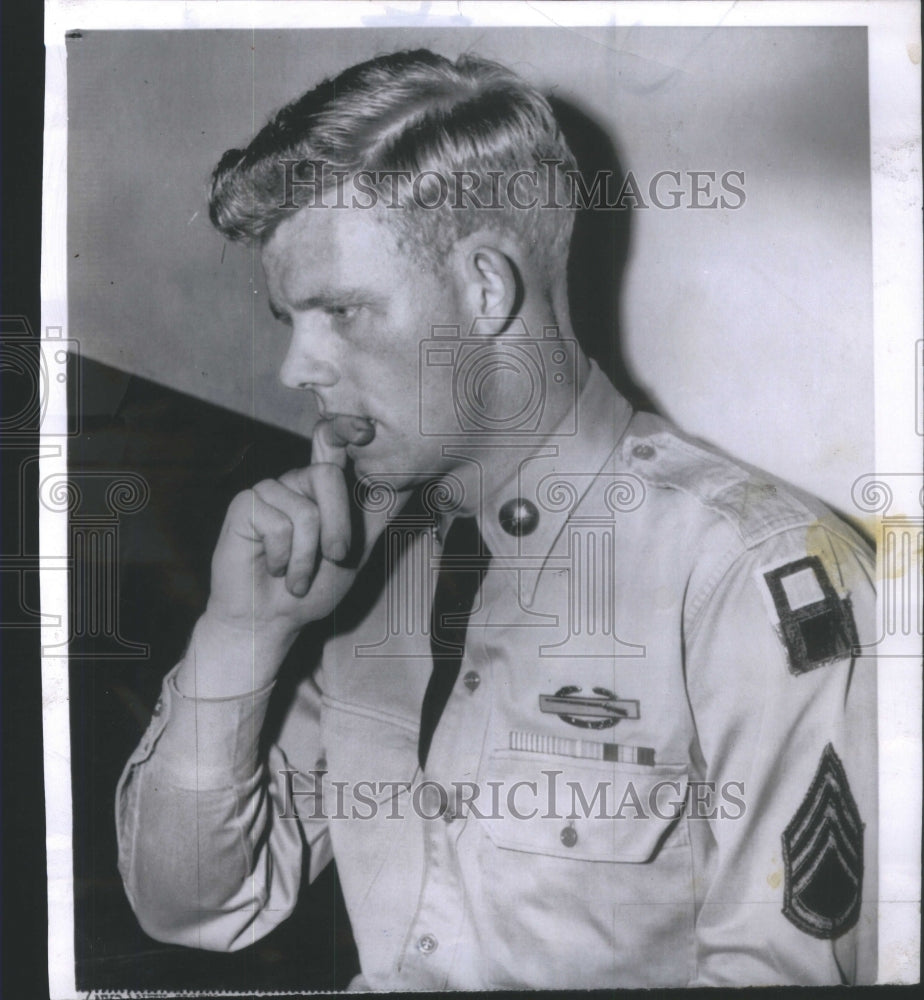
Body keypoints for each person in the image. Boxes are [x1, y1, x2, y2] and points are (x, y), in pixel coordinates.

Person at [116, 49, 877, 989]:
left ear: (486, 289)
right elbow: (195, 906)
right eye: (289, 320)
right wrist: (242, 635)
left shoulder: (747, 574)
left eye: (342, 311)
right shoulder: (373, 560)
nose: (295, 370)